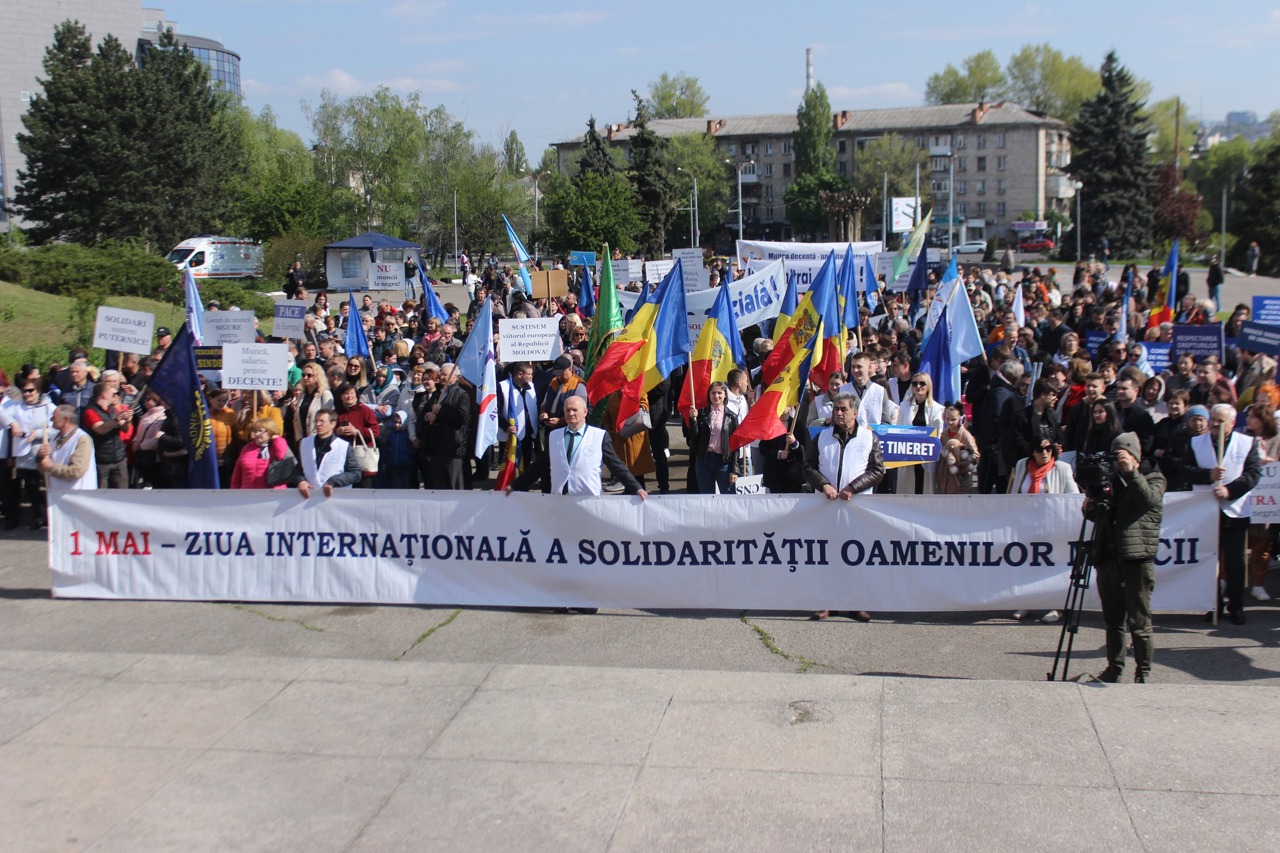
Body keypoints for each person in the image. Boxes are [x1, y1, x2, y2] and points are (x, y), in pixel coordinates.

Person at [1087, 432, 1166, 683]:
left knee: (1138, 622)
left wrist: (1131, 472)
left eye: (1124, 455)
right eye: (1116, 455)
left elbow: (1148, 500)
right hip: (1108, 557)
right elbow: (1099, 515)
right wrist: (1090, 504)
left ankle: (1143, 671)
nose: (1118, 462)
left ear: (1135, 456)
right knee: (1113, 621)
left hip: (1136, 560)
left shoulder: (1154, 477)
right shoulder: (1109, 479)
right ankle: (1114, 667)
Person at [803, 393, 885, 622]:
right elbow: (808, 467)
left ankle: (856, 603)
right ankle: (826, 603)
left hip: (857, 507)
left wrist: (853, 488)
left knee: (856, 556)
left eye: (844, 410)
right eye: (836, 409)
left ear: (855, 413)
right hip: (826, 506)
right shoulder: (822, 437)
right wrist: (824, 484)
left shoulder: (869, 438)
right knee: (827, 555)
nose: (839, 413)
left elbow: (878, 471)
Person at [1184, 404, 1261, 625]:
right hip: (1206, 511)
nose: (1216, 424)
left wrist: (1229, 490)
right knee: (1209, 560)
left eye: (1221, 421)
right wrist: (1209, 475)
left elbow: (1253, 474)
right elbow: (1185, 470)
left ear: (1233, 422)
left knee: (1235, 563)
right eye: (1214, 420)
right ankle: (1213, 604)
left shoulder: (1246, 443)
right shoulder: (1196, 442)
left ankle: (1236, 605)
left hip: (1234, 512)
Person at [506, 396, 647, 499]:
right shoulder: (554, 436)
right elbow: (539, 466)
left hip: (589, 501)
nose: (571, 413)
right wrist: (515, 485)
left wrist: (636, 488)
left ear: (585, 412)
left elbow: (616, 465)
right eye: (567, 410)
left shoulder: (599, 436)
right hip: (560, 500)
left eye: (575, 410)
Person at [688, 381, 741, 495]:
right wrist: (693, 420)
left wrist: (734, 470)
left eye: (719, 393)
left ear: (725, 395)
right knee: (706, 498)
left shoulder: (732, 417)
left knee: (728, 496)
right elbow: (694, 438)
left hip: (724, 462)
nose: (716, 396)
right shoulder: (701, 413)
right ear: (709, 395)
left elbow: (736, 445)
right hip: (704, 461)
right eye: (713, 393)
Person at [295, 409, 361, 499]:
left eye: (322, 421)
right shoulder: (305, 443)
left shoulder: (343, 446)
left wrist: (333, 482)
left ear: (333, 424)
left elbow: (355, 473)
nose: (318, 424)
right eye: (316, 421)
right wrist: (301, 481)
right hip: (309, 498)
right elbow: (298, 468)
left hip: (336, 499)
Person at [37, 404, 98, 501]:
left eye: (54, 417)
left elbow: (77, 471)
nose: (51, 420)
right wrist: (40, 457)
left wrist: (51, 467)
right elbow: (44, 468)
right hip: (58, 497)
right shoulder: (53, 439)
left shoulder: (82, 439)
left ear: (66, 420)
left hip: (79, 498)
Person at [897, 373, 945, 495]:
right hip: (907, 454)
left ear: (928, 386)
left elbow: (936, 434)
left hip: (926, 455)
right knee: (907, 488)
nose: (918, 386)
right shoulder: (904, 406)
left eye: (922, 383)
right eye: (915, 384)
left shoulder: (937, 409)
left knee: (924, 488)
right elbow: (898, 429)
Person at [230, 418, 292, 490]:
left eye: (260, 431)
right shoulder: (246, 448)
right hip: (248, 494)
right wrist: (234, 493)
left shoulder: (276, 446)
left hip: (272, 494)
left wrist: (276, 439)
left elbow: (281, 455)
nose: (257, 434)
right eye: (255, 431)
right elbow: (237, 475)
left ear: (270, 432)